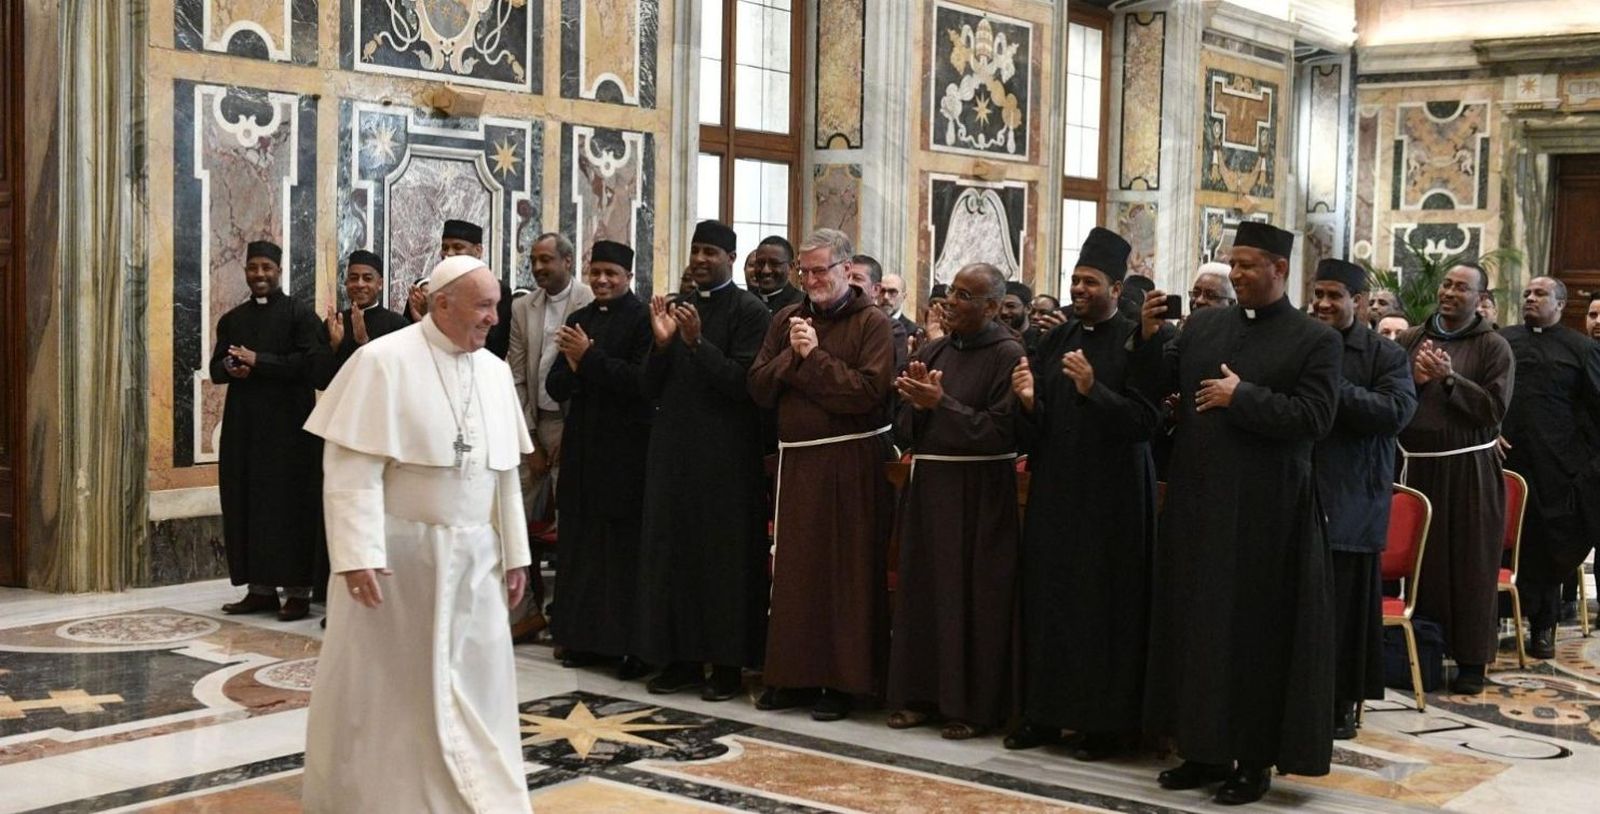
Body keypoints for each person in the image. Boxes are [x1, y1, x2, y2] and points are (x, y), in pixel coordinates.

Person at [301, 254, 534, 814]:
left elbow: (504, 476)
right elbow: (351, 470)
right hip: (399, 559)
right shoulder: (381, 361)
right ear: (441, 302)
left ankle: (478, 793)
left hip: (477, 555)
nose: (493, 319)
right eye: (484, 306)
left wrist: (516, 556)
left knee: (477, 685)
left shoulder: (496, 372)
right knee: (390, 689)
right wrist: (356, 555)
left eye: (497, 306)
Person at [1141, 222, 1341, 803]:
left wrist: (1243, 398)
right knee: (1197, 630)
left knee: (1254, 637)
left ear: (1280, 269)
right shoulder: (1206, 325)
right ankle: (1201, 750)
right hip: (1200, 505)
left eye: (1249, 265)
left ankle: (1253, 761)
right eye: (1233, 263)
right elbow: (1160, 387)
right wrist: (1150, 337)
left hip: (1268, 516)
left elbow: (1316, 419)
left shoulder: (1314, 340)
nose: (1237, 273)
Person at [1007, 228, 1160, 760]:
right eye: (1074, 280)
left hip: (1114, 500)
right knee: (1048, 602)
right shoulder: (1055, 339)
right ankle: (1044, 715)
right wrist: (1028, 402)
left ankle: (1103, 725)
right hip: (1056, 490)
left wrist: (1095, 390)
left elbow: (1146, 423)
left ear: (1117, 288)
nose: (1078, 290)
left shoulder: (1138, 342)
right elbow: (1040, 427)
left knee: (1102, 608)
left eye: (1090, 282)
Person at [748, 228, 896, 722]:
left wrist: (813, 360)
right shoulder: (787, 320)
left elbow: (865, 394)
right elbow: (759, 388)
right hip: (798, 463)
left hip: (851, 464)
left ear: (846, 270)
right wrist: (795, 356)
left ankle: (841, 682)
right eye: (804, 271)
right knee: (794, 577)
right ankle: (793, 676)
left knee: (843, 576)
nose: (810, 280)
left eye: (820, 270)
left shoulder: (871, 323)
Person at [885, 263, 1024, 741]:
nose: (949, 301)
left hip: (979, 495)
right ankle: (920, 696)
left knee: (971, 599)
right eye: (949, 292)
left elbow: (1003, 431)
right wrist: (911, 402)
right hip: (931, 489)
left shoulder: (1008, 354)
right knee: (924, 594)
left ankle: (972, 708)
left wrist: (939, 404)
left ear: (990, 307)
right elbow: (904, 426)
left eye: (964, 295)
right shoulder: (933, 349)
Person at [636, 221, 773, 700]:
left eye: (710, 251)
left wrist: (697, 343)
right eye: (694, 250)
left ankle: (729, 668)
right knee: (674, 557)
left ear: (731, 259)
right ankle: (682, 661)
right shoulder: (674, 308)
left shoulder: (751, 311)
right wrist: (661, 344)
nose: (699, 259)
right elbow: (647, 387)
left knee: (723, 563)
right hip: (673, 454)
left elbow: (744, 385)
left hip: (725, 461)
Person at [1308, 259, 1418, 740]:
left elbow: (1394, 412)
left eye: (1335, 296)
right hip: (1301, 492)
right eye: (1319, 295)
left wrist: (1335, 389)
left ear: (1357, 302)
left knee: (1344, 611)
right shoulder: (1302, 342)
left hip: (1353, 496)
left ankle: (1339, 702)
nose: (1325, 305)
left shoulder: (1384, 356)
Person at [1396, 262, 1514, 694]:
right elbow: (1391, 395)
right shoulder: (1411, 338)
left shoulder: (1493, 346)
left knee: (1469, 565)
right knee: (1421, 565)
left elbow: (1493, 411)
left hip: (1468, 471)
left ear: (1480, 298)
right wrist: (1415, 377)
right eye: (1446, 284)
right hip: (1415, 467)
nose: (1449, 292)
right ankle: (1419, 655)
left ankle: (1470, 662)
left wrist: (1449, 380)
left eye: (1461, 288)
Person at [545, 240, 655, 679]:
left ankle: (628, 646)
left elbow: (641, 382)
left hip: (626, 452)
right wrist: (575, 364)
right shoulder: (579, 320)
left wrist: (587, 359)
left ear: (628, 276)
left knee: (621, 552)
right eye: (597, 273)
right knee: (581, 546)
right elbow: (555, 386)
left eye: (612, 273)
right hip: (582, 452)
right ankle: (584, 638)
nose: (603, 280)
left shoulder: (643, 320)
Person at [210, 240, 326, 622]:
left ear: (279, 271)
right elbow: (215, 368)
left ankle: (297, 593)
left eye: (266, 268)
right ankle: (259, 589)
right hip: (245, 429)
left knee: (289, 508)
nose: (259, 275)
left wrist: (260, 361)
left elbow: (311, 366)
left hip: (290, 433)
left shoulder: (299, 315)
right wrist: (233, 367)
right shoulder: (233, 319)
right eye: (253, 268)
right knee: (248, 504)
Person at [1499, 276, 1600, 659]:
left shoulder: (1581, 349)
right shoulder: (1504, 341)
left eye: (1540, 294)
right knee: (1501, 547)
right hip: (1506, 463)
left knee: (1546, 549)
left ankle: (1544, 626)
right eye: (1526, 293)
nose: (1530, 298)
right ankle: (1496, 621)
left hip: (1555, 471)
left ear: (1559, 304)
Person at [505, 232, 595, 637]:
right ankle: (523, 610)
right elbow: (517, 372)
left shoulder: (591, 301)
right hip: (531, 424)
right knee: (511, 520)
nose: (539, 268)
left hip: (574, 427)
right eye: (534, 260)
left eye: (547, 260)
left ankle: (568, 614)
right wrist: (531, 439)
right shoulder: (523, 307)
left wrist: (566, 438)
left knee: (570, 524)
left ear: (568, 261)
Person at [408, 219, 514, 359]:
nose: (449, 254)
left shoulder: (498, 291)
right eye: (445, 248)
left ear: (478, 251)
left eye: (457, 247)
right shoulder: (428, 289)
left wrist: (433, 315)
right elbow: (409, 339)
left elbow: (493, 348)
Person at [311, 250, 409, 390]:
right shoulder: (334, 323)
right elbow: (320, 381)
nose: (360, 284)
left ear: (380, 284)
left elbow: (400, 378)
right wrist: (333, 346)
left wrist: (363, 342)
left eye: (367, 278)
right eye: (354, 278)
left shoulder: (397, 325)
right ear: (346, 283)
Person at [849, 254, 910, 372]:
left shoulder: (893, 328)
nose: (849, 283)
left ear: (875, 289)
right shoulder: (834, 317)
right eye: (846, 277)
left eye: (857, 278)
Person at [747, 235, 804, 313]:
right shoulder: (744, 302)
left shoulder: (802, 304)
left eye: (774, 264)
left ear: (790, 267)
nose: (765, 270)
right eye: (760, 263)